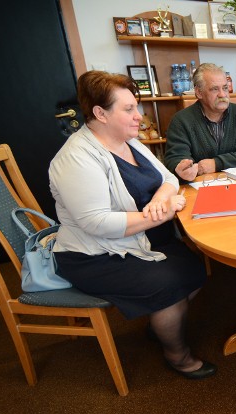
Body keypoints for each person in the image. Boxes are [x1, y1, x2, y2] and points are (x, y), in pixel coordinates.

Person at [49, 71, 215, 380]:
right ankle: (177, 355)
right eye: (128, 109)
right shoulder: (76, 158)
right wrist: (162, 214)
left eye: (136, 107)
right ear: (100, 113)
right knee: (170, 284)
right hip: (96, 255)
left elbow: (166, 177)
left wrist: (163, 197)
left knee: (194, 267)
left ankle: (162, 321)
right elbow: (97, 222)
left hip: (140, 241)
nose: (139, 116)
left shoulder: (129, 141)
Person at [164, 63, 236, 181]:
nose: (222, 94)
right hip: (200, 187)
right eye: (215, 89)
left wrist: (216, 163)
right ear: (199, 92)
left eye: (225, 88)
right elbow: (176, 159)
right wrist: (182, 169)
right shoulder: (181, 121)